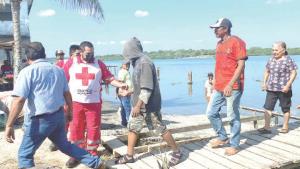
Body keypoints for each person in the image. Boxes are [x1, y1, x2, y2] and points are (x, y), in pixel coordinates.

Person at [4, 42, 105, 169]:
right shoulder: (58, 70)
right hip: (58, 117)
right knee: (65, 146)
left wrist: (9, 125)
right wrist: (69, 112)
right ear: (45, 55)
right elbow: (67, 94)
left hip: (40, 120)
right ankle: (96, 163)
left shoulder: (27, 72)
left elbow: (19, 100)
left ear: (28, 57)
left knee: (24, 155)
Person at [115, 37, 181, 166]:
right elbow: (140, 86)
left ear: (132, 51)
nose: (126, 56)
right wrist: (130, 92)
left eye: (127, 52)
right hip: (138, 105)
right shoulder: (137, 62)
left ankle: (176, 151)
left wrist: (138, 106)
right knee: (133, 128)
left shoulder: (144, 63)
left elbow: (147, 89)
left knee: (160, 128)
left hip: (148, 106)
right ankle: (129, 156)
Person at [63, 41, 127, 167]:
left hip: (94, 104)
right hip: (75, 103)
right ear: (81, 52)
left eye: (92, 53)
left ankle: (91, 153)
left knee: (93, 129)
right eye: (88, 53)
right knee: (76, 129)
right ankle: (76, 155)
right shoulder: (71, 63)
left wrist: (121, 85)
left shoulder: (99, 64)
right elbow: (62, 80)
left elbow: (109, 78)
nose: (90, 55)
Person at [206, 18, 247, 156]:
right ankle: (223, 136)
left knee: (232, 116)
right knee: (211, 113)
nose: (214, 31)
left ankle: (234, 145)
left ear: (225, 28)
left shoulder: (237, 42)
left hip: (233, 86)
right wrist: (214, 82)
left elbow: (241, 65)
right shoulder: (219, 44)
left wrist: (230, 84)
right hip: (219, 86)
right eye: (214, 28)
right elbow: (218, 65)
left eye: (217, 28)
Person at [259, 41, 297, 134]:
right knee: (268, 108)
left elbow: (294, 73)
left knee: (285, 108)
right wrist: (264, 83)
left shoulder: (288, 60)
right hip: (271, 88)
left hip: (284, 89)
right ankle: (266, 127)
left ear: (283, 50)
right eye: (273, 50)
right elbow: (267, 71)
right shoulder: (271, 59)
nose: (274, 52)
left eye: (276, 50)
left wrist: (288, 85)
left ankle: (285, 126)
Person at [49, 45, 82, 152]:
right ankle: (56, 142)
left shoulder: (76, 63)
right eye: (58, 55)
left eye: (61, 54)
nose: (60, 56)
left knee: (72, 121)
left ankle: (67, 142)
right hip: (63, 96)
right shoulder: (57, 65)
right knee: (63, 120)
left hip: (75, 96)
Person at [117, 61, 133, 127]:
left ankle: (124, 122)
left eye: (128, 64)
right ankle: (129, 123)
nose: (127, 65)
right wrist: (122, 91)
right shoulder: (123, 71)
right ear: (122, 65)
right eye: (126, 64)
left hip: (126, 92)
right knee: (127, 108)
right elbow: (120, 81)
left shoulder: (125, 71)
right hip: (125, 92)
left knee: (123, 107)